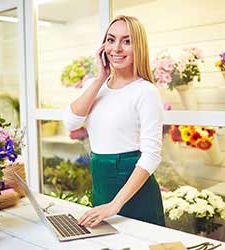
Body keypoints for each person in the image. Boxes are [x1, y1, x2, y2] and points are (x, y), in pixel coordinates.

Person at [63, 15, 165, 228]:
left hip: (134, 189)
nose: (116, 48)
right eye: (111, 40)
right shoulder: (94, 84)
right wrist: (101, 78)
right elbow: (71, 123)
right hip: (101, 183)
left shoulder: (145, 91)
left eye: (126, 41)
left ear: (139, 47)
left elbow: (152, 155)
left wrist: (115, 204)